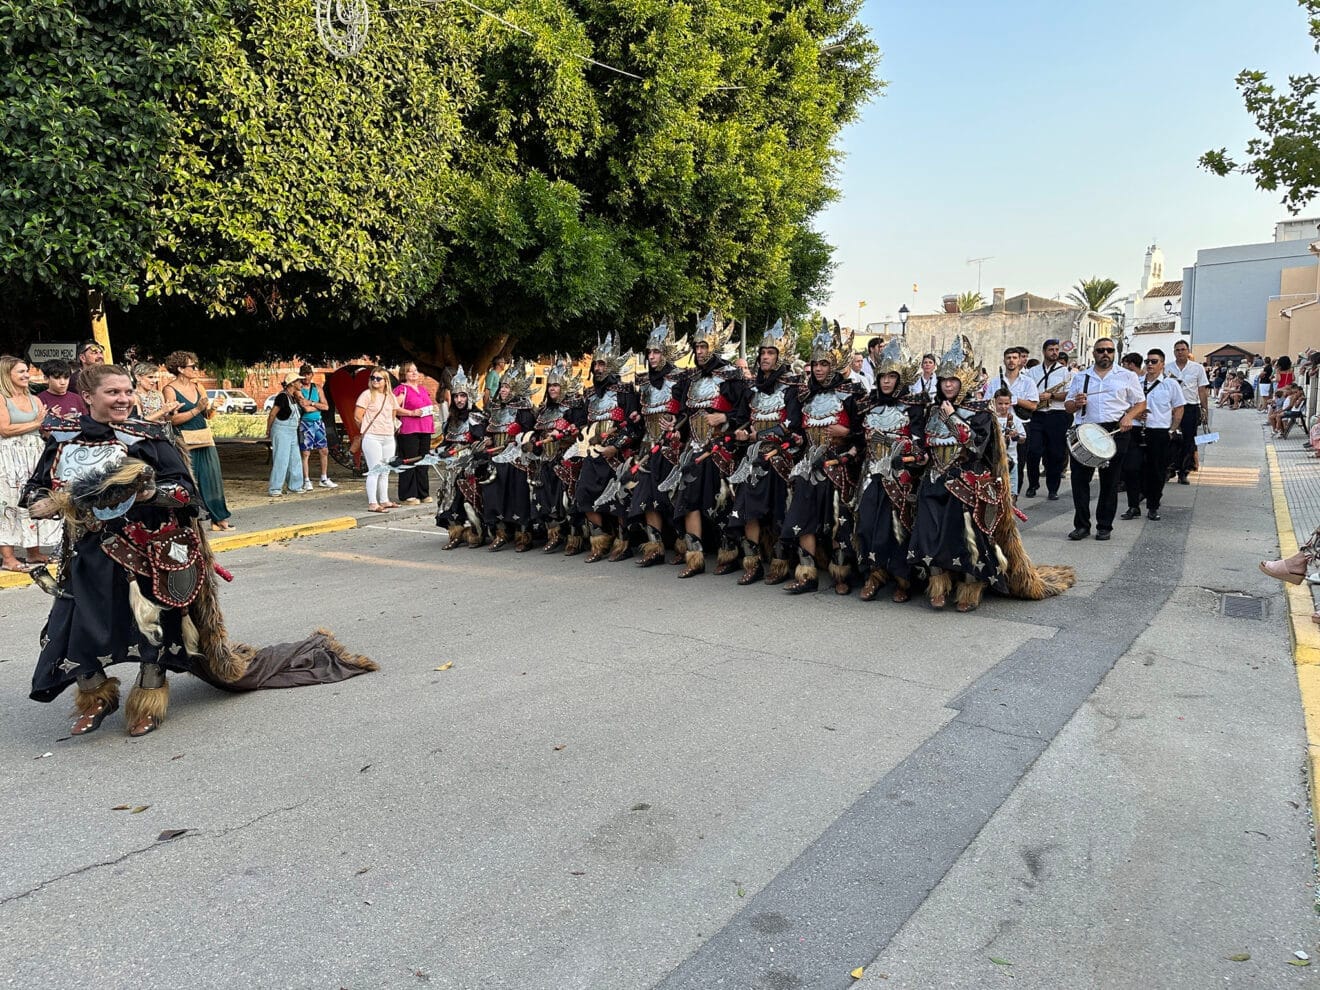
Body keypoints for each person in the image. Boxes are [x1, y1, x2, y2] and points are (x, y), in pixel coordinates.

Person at [19, 363, 376, 737]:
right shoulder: (63, 439)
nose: (123, 399)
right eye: (113, 392)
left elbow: (186, 493)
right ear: (88, 396)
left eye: (127, 391)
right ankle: (95, 696)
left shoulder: (148, 436)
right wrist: (47, 502)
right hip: (87, 553)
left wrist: (148, 493)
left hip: (144, 552)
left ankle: (148, 701)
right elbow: (35, 489)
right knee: (77, 628)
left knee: (153, 630)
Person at [907, 336, 1076, 611]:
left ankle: (970, 588)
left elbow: (976, 448)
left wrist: (952, 419)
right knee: (929, 533)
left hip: (965, 485)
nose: (948, 385)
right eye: (944, 380)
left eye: (953, 380)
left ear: (964, 382)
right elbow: (926, 445)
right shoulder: (931, 411)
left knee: (968, 539)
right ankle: (938, 585)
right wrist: (918, 455)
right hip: (933, 482)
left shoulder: (980, 413)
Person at [779, 320, 863, 595]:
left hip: (839, 465)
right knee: (803, 516)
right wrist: (797, 439)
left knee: (837, 519)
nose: (818, 369)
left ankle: (841, 574)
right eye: (815, 364)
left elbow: (865, 433)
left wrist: (846, 432)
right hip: (809, 463)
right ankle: (807, 574)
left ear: (834, 365)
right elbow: (796, 428)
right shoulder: (804, 394)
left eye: (824, 364)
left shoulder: (852, 393)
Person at [669, 311, 750, 578]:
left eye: (704, 346)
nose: (700, 351)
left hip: (721, 449)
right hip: (694, 449)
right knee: (688, 500)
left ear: (714, 347)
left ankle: (729, 553)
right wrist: (676, 427)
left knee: (722, 501)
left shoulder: (731, 376)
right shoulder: (689, 379)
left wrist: (725, 417)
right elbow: (684, 413)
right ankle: (695, 557)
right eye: (697, 346)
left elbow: (747, 411)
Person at [726, 318, 800, 586]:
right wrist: (740, 432)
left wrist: (759, 435)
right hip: (753, 456)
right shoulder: (752, 389)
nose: (765, 357)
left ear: (780, 357)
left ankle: (780, 563)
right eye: (763, 353)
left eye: (771, 353)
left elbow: (791, 424)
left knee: (780, 510)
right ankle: (753, 563)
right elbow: (741, 419)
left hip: (781, 456)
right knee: (747, 508)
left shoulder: (792, 388)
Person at [854, 338, 923, 603]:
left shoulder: (914, 406)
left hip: (899, 477)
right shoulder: (867, 404)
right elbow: (858, 439)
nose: (886, 381)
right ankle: (874, 574)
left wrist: (902, 453)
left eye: (891, 376)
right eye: (882, 376)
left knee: (897, 529)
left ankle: (902, 580)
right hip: (870, 473)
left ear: (900, 378)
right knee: (867, 524)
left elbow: (919, 445)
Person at [1063, 337, 1146, 541]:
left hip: (1115, 430)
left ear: (1114, 353)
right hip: (1085, 430)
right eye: (1101, 350)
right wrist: (1076, 403)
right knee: (1079, 480)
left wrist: (1129, 416)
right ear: (1094, 353)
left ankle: (1104, 526)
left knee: (1110, 481)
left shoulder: (1127, 376)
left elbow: (1140, 403)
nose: (1105, 354)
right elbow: (1068, 406)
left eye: (1109, 350)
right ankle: (1082, 525)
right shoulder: (1081, 377)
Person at [575, 333, 641, 562]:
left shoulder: (625, 391)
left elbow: (634, 426)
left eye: (602, 364)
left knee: (619, 498)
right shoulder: (589, 394)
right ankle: (600, 540)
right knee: (584, 494)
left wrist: (616, 446)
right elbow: (584, 424)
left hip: (617, 455)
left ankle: (624, 543)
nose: (598, 368)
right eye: (596, 364)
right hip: (593, 454)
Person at [627, 321, 689, 567]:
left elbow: (687, 411)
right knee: (646, 496)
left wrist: (678, 428)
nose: (651, 356)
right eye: (649, 352)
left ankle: (683, 544)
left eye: (656, 352)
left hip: (673, 446)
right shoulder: (642, 381)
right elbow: (639, 413)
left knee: (673, 497)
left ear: (667, 353)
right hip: (647, 445)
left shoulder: (681, 378)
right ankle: (655, 548)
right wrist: (636, 416)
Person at [162, 351, 234, 532]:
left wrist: (213, 407)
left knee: (212, 478)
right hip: (184, 440)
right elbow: (172, 420)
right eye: (192, 366)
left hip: (204, 437)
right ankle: (191, 520)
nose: (196, 369)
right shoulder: (169, 390)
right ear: (180, 369)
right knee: (189, 481)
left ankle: (219, 518)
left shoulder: (198, 386)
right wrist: (196, 410)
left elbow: (207, 414)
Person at [0, 356, 59, 571]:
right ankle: (8, 558)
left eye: (27, 371)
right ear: (7, 374)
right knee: (8, 503)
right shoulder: (2, 398)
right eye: (21, 372)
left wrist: (50, 423)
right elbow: (5, 429)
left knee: (32, 499)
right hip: (9, 455)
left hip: (34, 454)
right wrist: (36, 422)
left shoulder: (35, 399)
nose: (26, 375)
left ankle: (33, 552)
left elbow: (42, 429)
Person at [1120, 349, 1184, 523]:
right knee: (1131, 469)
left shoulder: (1171, 384)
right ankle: (1133, 506)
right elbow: (1124, 404)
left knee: (1156, 470)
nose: (1149, 364)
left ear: (1162, 364)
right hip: (1135, 430)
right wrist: (1133, 413)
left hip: (1158, 431)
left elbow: (1179, 408)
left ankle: (1153, 506)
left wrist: (1172, 430)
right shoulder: (1136, 382)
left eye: (1154, 361)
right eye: (1147, 361)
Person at [528, 358, 585, 554]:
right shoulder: (544, 410)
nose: (552, 388)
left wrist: (567, 433)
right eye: (550, 385)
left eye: (556, 385)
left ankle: (575, 537)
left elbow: (580, 430)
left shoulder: (574, 406)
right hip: (546, 460)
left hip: (566, 459)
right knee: (544, 498)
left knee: (566, 500)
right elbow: (537, 432)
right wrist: (533, 442)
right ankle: (554, 534)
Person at [479, 360, 537, 551]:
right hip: (496, 460)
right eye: (502, 386)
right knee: (494, 495)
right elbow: (488, 429)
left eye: (507, 387)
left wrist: (518, 439)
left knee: (517, 497)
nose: (503, 390)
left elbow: (530, 433)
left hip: (517, 461)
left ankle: (523, 535)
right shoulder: (495, 408)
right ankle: (501, 533)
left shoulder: (524, 410)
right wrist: (487, 439)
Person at [434, 367, 488, 548]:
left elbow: (482, 443)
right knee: (448, 499)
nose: (459, 400)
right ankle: (455, 533)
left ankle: (476, 532)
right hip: (452, 467)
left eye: (463, 396)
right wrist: (438, 451)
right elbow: (446, 442)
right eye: (456, 396)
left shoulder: (476, 417)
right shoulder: (451, 419)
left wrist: (473, 454)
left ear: (469, 397)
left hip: (470, 467)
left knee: (467, 501)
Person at [982, 346, 1038, 494]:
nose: (1011, 361)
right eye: (1008, 358)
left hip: (1020, 425)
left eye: (1014, 358)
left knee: (1017, 464)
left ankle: (1013, 496)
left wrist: (1016, 400)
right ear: (1004, 360)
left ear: (1020, 360)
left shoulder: (1028, 382)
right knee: (995, 462)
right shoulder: (995, 382)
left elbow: (1033, 405)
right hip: (997, 426)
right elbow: (986, 404)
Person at [1024, 338, 1073, 500]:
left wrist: (1050, 395)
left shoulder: (1065, 372)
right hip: (1037, 414)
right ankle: (1033, 484)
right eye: (1051, 349)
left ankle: (1053, 489)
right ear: (1044, 351)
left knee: (1055, 453)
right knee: (1033, 451)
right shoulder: (1033, 371)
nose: (1054, 352)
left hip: (1057, 415)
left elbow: (1069, 394)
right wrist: (1036, 397)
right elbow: (1026, 390)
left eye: (1056, 350)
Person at [355, 366, 399, 512]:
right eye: (372, 378)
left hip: (388, 436)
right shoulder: (367, 395)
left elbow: (392, 416)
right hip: (372, 437)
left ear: (386, 381)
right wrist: (366, 430)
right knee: (374, 470)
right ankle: (373, 502)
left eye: (378, 378)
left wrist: (389, 429)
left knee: (385, 470)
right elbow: (357, 417)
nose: (375, 380)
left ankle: (384, 500)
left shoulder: (390, 397)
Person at [1168, 340, 1210, 484]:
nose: (1180, 352)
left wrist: (1204, 409)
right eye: (1177, 350)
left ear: (1188, 351)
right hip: (1171, 409)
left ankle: (1183, 471)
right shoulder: (1167, 368)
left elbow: (1202, 390)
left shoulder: (1197, 368)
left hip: (1190, 407)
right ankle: (1170, 468)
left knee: (1189, 440)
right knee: (1171, 438)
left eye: (1183, 349)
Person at [297, 364, 337, 491]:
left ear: (312, 375)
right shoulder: (298, 389)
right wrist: (317, 406)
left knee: (324, 450)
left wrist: (312, 403)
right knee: (305, 452)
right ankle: (306, 480)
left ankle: (324, 478)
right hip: (305, 423)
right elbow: (306, 409)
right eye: (303, 374)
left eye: (308, 374)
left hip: (318, 422)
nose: (306, 377)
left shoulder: (317, 388)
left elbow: (326, 406)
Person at [265, 372, 306, 497]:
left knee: (295, 459)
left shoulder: (293, 396)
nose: (301, 384)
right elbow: (273, 413)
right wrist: (268, 429)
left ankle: (295, 485)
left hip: (292, 430)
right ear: (292, 383)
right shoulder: (282, 397)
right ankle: (275, 488)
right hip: (281, 430)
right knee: (281, 459)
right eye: (299, 381)